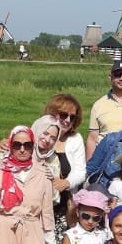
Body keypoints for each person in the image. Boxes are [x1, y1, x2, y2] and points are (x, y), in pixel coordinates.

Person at [43, 94, 87, 223]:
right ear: (52, 113)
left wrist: (66, 183)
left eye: (72, 117)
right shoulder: (40, 133)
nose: (67, 120)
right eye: (63, 115)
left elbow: (80, 171)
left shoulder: (75, 139)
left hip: (64, 201)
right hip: (40, 199)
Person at [86, 59, 122, 157]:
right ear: (110, 77)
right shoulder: (98, 105)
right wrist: (89, 164)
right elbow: (92, 139)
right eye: (118, 75)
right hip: (104, 157)